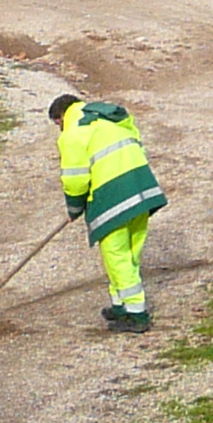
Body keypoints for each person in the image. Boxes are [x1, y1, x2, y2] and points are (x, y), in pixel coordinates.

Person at [51, 93, 167, 331]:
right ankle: (120, 304)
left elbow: (75, 179)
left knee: (115, 255)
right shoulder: (108, 118)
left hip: (113, 195)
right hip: (142, 188)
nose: (59, 129)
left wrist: (74, 207)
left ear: (61, 116)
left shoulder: (73, 133)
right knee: (130, 250)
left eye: (57, 124)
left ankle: (137, 315)